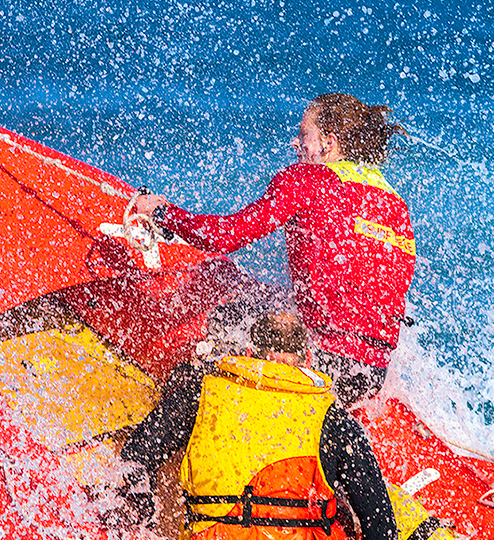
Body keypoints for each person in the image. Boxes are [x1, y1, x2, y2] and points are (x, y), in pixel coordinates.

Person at [106, 312, 399, 540]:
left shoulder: (203, 387)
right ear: (307, 361)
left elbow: (135, 459)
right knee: (339, 523)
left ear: (248, 352)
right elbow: (381, 524)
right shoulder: (336, 420)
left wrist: (139, 526)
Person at [134, 94, 415, 404]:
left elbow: (225, 237)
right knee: (249, 301)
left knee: (212, 345)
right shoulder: (395, 203)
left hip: (321, 363)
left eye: (303, 134)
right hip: (370, 374)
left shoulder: (307, 179)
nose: (295, 143)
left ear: (329, 143)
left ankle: (189, 397)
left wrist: (162, 213)